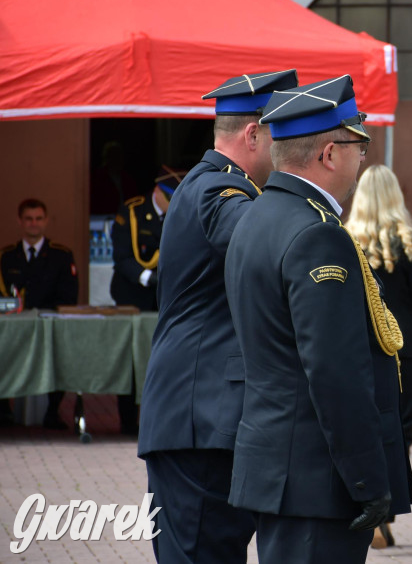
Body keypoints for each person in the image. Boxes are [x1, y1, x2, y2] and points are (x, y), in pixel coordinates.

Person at [224, 76, 412, 564]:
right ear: (329, 153)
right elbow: (333, 371)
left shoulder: (258, 214)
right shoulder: (318, 234)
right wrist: (367, 478)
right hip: (317, 476)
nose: (363, 157)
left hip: (281, 466)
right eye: (359, 145)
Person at [137, 69, 298, 564]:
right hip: (200, 419)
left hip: (197, 415)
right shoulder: (220, 191)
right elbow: (264, 239)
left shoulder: (207, 184)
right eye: (283, 137)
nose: (289, 152)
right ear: (254, 134)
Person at [347, 164, 412, 548]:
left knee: (363, 429)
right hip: (401, 352)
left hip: (361, 350)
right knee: (399, 433)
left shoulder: (346, 239)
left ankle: (365, 504)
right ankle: (386, 511)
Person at [109, 165, 185, 436]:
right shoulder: (132, 211)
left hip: (168, 297)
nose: (173, 202)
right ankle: (128, 423)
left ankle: (166, 424)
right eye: (169, 196)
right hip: (133, 294)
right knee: (130, 361)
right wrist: (147, 279)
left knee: (168, 360)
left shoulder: (182, 211)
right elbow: (122, 257)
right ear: (157, 191)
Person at [0, 198, 78, 429]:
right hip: (14, 328)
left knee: (60, 355)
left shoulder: (61, 255)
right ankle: (4, 410)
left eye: (38, 219)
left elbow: (69, 297)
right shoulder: (6, 256)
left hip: (48, 327)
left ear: (45, 221)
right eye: (28, 219)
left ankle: (52, 412)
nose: (33, 224)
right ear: (20, 221)